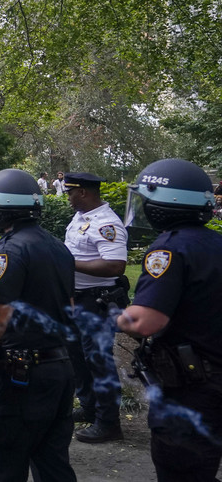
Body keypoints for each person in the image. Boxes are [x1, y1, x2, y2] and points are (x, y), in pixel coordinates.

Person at [116, 158, 222, 482]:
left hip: (191, 389)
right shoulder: (215, 242)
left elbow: (145, 322)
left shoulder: (169, 249)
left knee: (183, 471)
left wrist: (118, 317)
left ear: (166, 202)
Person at [0, 169, 76, 482]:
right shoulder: (57, 247)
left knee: (2, 464)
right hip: (58, 368)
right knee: (52, 462)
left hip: (21, 375)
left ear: (1, 209)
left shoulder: (11, 250)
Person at [61, 171, 128, 443]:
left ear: (84, 192)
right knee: (78, 355)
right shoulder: (81, 217)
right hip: (78, 298)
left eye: (70, 192)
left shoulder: (106, 223)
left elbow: (115, 265)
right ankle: (89, 407)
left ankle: (109, 422)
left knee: (98, 360)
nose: (67, 197)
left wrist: (68, 264)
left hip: (98, 301)